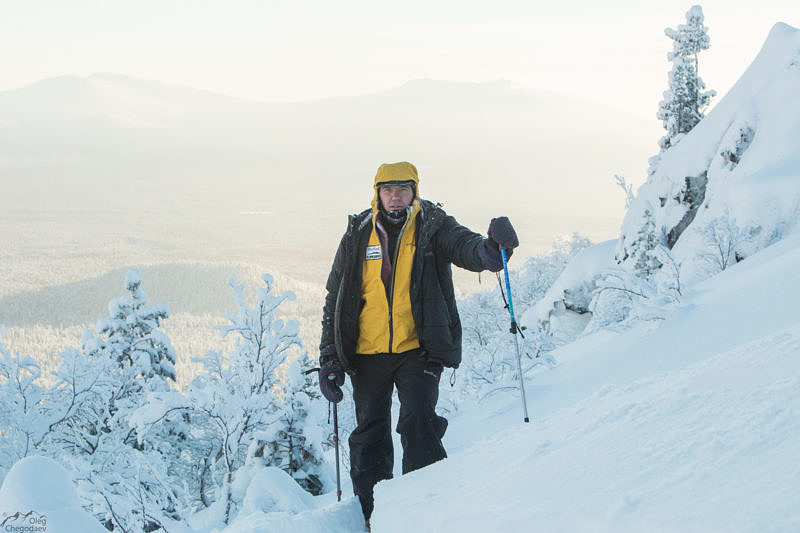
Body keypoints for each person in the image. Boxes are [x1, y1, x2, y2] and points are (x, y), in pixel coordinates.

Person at [318, 161, 518, 524]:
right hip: (367, 354)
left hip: (418, 350)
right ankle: (373, 516)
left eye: (403, 189)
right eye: (388, 190)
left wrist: (491, 251)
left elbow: (466, 247)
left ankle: (424, 511)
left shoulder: (433, 225)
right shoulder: (357, 233)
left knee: (419, 421)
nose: (395, 197)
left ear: (415, 191)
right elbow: (337, 294)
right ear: (376, 192)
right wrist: (329, 355)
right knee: (370, 434)